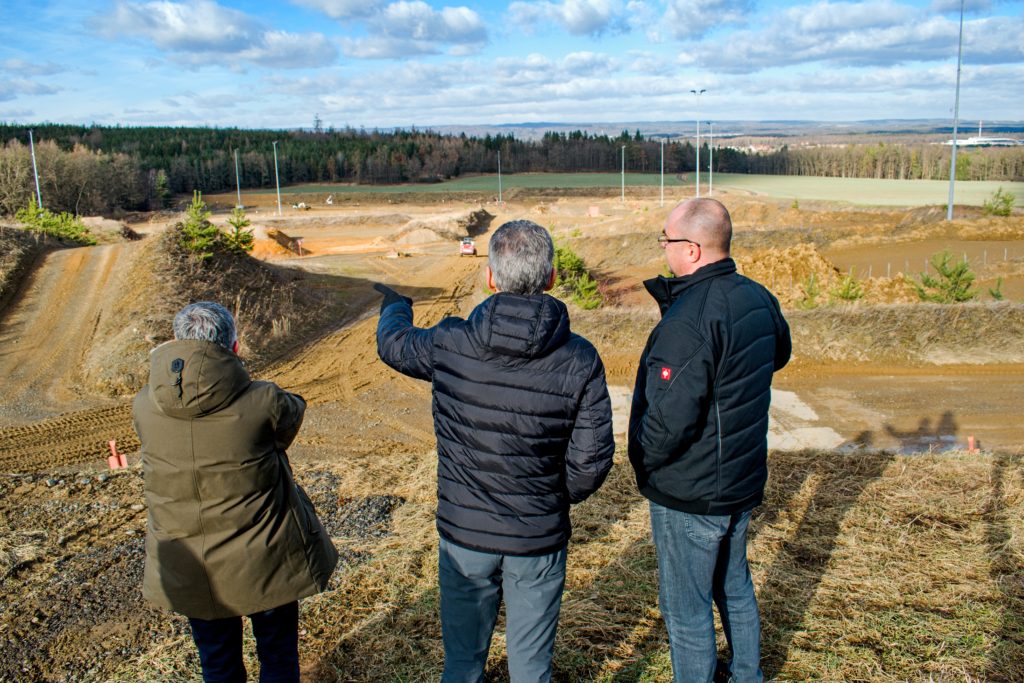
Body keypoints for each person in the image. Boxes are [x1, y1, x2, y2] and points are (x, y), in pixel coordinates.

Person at [375, 220, 615, 683]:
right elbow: (591, 460)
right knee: (531, 668)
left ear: (490, 276)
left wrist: (396, 307)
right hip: (537, 538)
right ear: (550, 277)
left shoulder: (450, 342)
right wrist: (549, 496)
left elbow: (393, 345)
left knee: (463, 666)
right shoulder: (581, 359)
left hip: (466, 536)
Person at [628, 198, 791, 683]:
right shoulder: (757, 297)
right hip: (740, 479)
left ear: (693, 250)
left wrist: (643, 461)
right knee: (734, 586)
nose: (664, 247)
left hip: (692, 491)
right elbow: (776, 353)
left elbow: (669, 421)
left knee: (686, 609)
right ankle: (746, 674)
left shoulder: (689, 320)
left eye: (667, 239)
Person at [133, 301, 338, 683]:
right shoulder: (264, 400)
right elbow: (292, 418)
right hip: (266, 556)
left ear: (176, 343)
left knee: (217, 662)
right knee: (277, 656)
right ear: (235, 347)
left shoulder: (144, 404)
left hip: (191, 562)